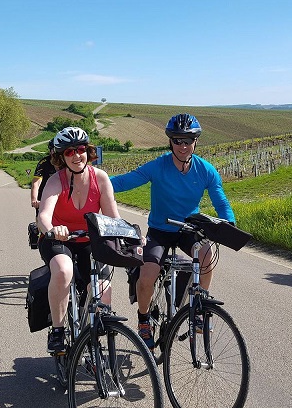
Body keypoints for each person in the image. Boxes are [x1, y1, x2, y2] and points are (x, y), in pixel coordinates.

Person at [110, 113, 236, 351]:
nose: (183, 145)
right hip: (160, 229)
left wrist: (228, 222)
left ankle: (199, 305)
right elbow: (127, 181)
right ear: (170, 141)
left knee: (207, 255)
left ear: (196, 141)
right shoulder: (159, 166)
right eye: (177, 140)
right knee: (147, 276)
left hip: (189, 228)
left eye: (188, 140)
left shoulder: (206, 171)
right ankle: (144, 319)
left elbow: (221, 202)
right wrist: (96, 182)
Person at [37, 127, 121, 354]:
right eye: (69, 152)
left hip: (89, 240)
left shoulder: (100, 178)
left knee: (102, 287)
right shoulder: (56, 180)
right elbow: (43, 215)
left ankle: (95, 336)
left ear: (89, 151)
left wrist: (130, 235)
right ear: (61, 157)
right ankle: (57, 330)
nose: (76, 156)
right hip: (58, 239)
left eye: (81, 149)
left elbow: (113, 217)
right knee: (64, 271)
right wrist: (52, 229)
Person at [30, 140, 59, 215]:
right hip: (44, 195)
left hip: (61, 195)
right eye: (53, 150)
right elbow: (36, 182)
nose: (55, 153)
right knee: (41, 219)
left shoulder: (67, 162)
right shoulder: (44, 162)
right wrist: (34, 200)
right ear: (50, 151)